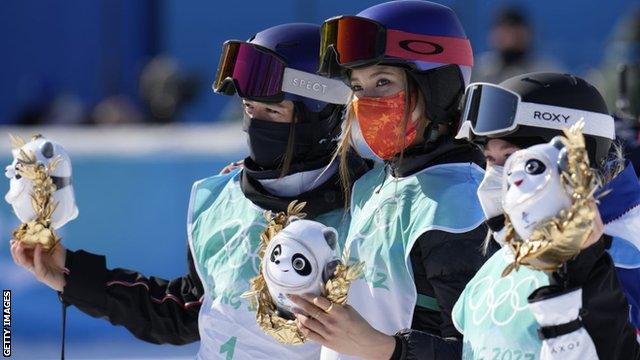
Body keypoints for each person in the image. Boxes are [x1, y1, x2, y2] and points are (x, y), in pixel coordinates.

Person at [9, 23, 369, 359]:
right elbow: (186, 311)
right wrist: (73, 276)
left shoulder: (374, 203)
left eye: (273, 112)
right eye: (248, 108)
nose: (256, 124)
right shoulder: (222, 199)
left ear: (321, 114)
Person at [285, 2, 495, 359]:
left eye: (383, 82)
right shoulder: (375, 182)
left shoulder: (459, 204)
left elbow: (482, 349)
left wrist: (385, 349)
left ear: (437, 88)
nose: (367, 102)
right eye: (358, 87)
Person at [452, 72, 640, 359]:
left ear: (576, 158)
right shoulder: (508, 256)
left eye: (515, 159)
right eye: (490, 160)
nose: (497, 178)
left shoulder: (627, 255)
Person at [472, 7, 562, 84]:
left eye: (516, 35)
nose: (511, 40)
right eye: (505, 34)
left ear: (528, 35)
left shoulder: (546, 72)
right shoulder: (481, 70)